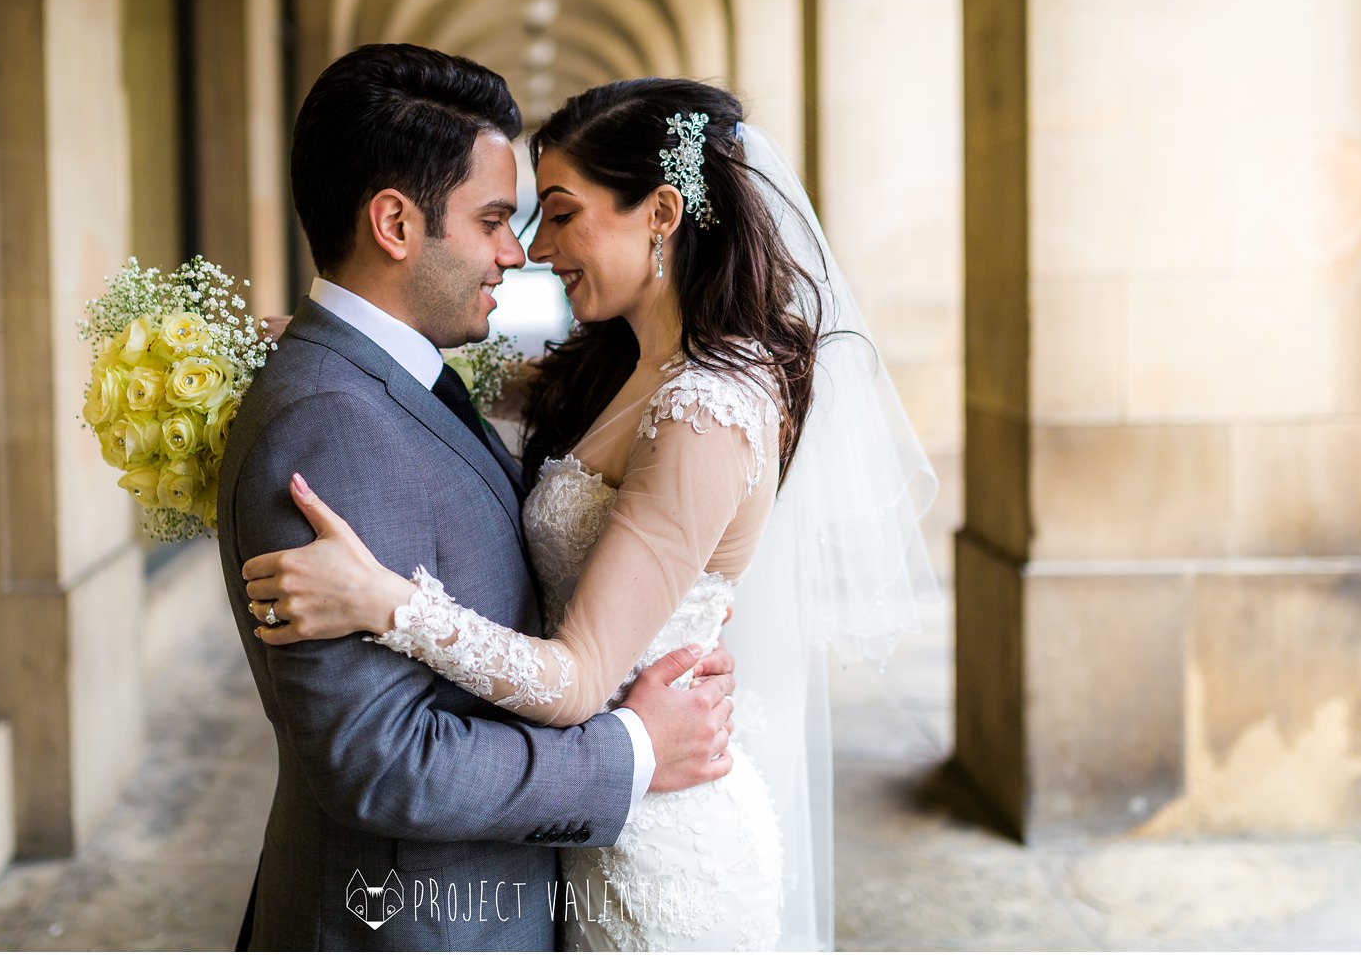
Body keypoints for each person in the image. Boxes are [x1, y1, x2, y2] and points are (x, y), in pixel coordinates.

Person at [245, 78, 941, 950]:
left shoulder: (707, 410)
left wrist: (386, 601)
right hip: (585, 824)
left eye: (560, 214)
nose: (535, 249)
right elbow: (432, 376)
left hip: (664, 848)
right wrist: (316, 340)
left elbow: (575, 680)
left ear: (660, 212)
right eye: (511, 219)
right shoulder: (609, 369)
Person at [215, 47, 738, 951]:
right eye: (494, 219)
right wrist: (634, 750)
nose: (518, 253)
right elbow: (381, 762)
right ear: (394, 223)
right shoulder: (328, 422)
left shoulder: (399, 373)